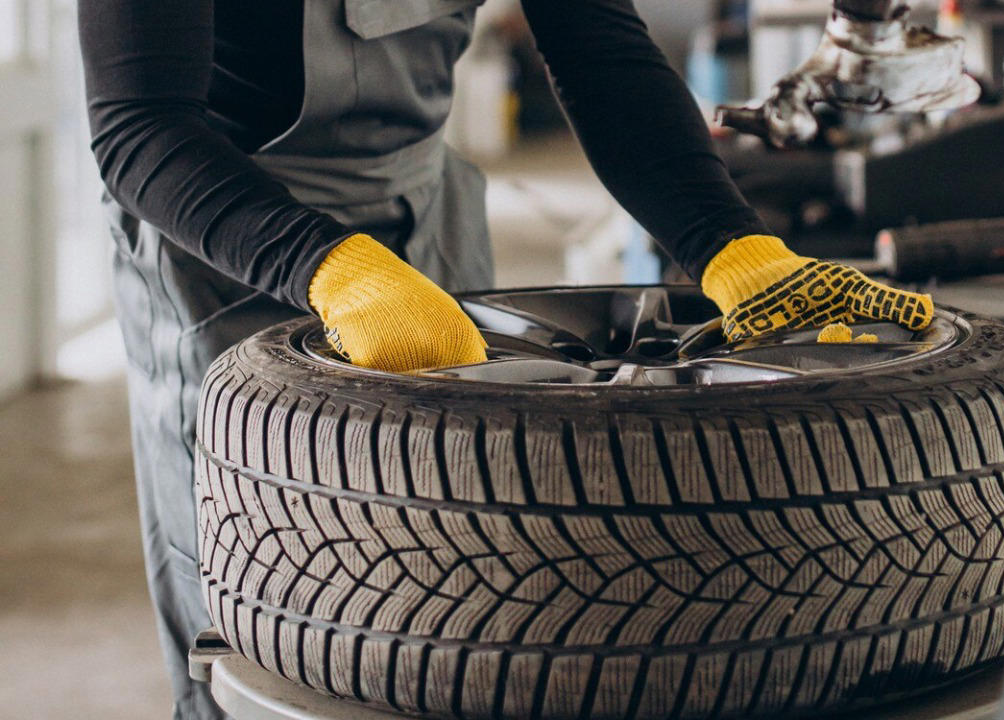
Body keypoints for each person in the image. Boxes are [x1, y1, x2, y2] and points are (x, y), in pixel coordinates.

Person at [78, 0, 933, 717]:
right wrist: (331, 270)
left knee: (472, 586)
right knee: (263, 616)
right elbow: (139, 124)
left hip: (424, 210)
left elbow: (599, 52)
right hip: (229, 239)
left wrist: (735, 251)